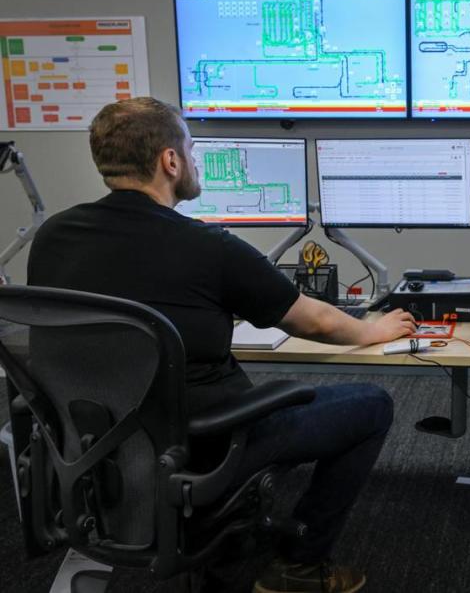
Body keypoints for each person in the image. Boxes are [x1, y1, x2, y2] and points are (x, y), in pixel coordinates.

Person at [27, 97, 416, 593]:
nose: (193, 160)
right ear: (170, 161)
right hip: (210, 441)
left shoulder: (54, 235)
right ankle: (298, 565)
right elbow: (314, 322)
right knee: (371, 406)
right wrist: (373, 329)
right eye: (190, 148)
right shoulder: (207, 246)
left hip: (95, 445)